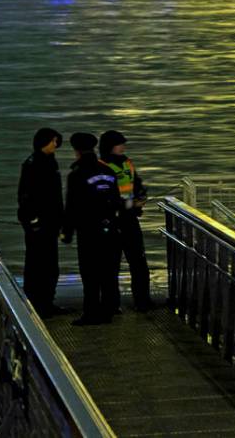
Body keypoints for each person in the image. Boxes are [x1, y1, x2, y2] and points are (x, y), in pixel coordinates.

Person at [62, 132, 122, 326]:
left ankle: (91, 313)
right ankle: (109, 309)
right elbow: (116, 200)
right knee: (108, 270)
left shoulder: (77, 174)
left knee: (90, 273)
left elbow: (72, 206)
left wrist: (67, 232)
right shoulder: (108, 170)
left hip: (88, 230)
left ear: (76, 150)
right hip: (110, 227)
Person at [99, 130, 153, 311]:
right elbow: (106, 198)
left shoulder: (127, 163)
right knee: (110, 265)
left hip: (130, 219)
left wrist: (141, 195)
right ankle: (111, 304)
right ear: (110, 146)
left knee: (139, 262)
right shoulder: (102, 166)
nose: (123, 147)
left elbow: (136, 184)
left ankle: (143, 301)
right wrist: (132, 203)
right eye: (119, 144)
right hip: (112, 221)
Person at [17, 127, 65, 317]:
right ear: (44, 142)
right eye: (53, 141)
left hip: (49, 222)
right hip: (40, 224)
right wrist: (33, 220)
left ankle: (44, 302)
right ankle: (39, 303)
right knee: (40, 264)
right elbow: (27, 195)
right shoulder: (35, 164)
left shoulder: (46, 161)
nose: (56, 144)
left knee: (47, 264)